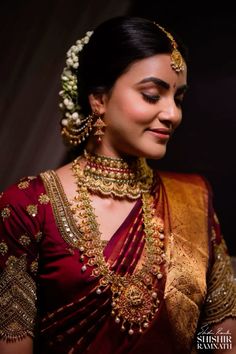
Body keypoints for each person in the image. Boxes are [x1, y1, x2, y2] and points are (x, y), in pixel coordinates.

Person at [0, 16, 235, 354]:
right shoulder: (27, 206)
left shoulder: (194, 199)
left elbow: (221, 335)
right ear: (99, 99)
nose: (173, 114)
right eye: (153, 95)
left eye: (178, 98)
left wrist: (190, 344)